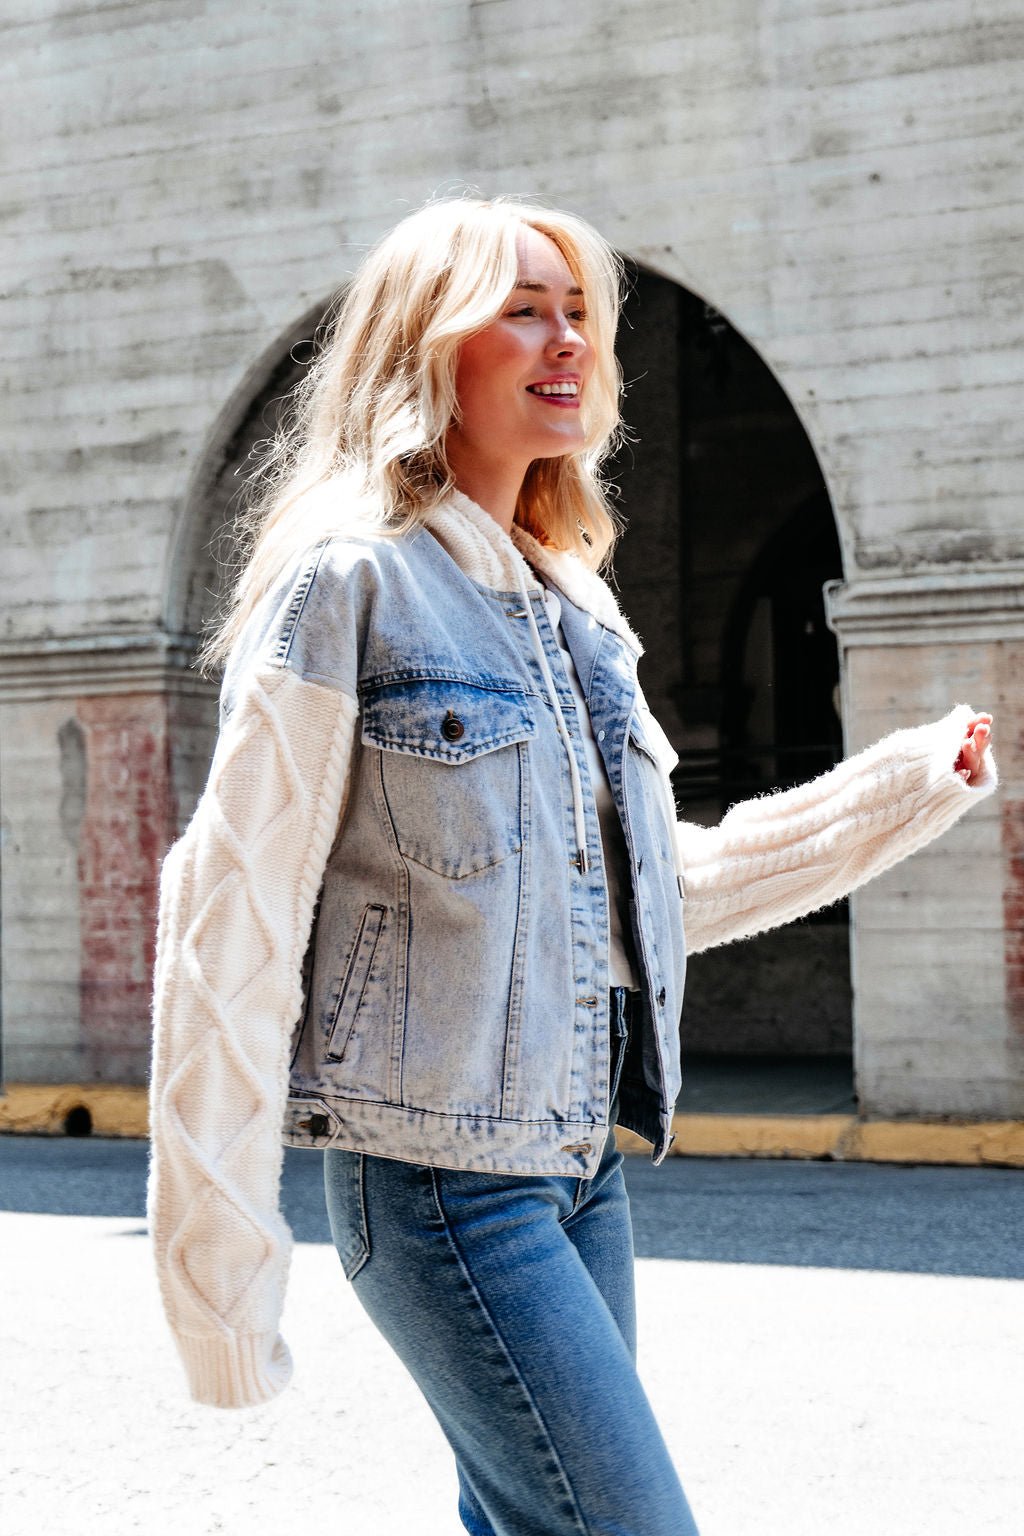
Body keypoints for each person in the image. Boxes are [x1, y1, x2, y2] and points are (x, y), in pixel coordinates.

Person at [147, 196, 996, 1535]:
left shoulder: (575, 615)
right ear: (427, 345)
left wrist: (897, 793)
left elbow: (658, 896)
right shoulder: (346, 584)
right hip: (439, 1186)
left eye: (580, 314)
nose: (568, 341)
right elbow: (230, 921)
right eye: (522, 308)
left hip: (578, 1161)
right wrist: (220, 1283)